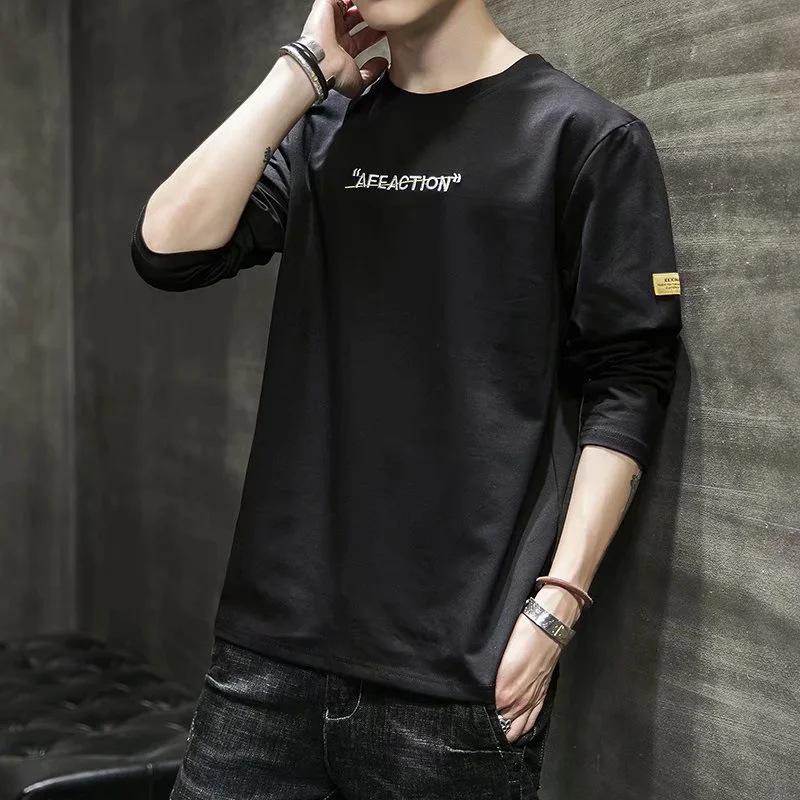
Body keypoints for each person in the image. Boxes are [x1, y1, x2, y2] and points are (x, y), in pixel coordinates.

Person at [130, 0, 683, 797]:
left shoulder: (583, 137)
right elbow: (167, 250)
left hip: (455, 683)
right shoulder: (325, 131)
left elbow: (629, 381)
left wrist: (557, 607)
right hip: (268, 658)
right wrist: (300, 73)